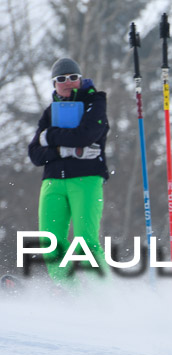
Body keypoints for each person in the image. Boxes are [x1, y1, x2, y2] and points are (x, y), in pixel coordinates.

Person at [28, 58, 110, 286]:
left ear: (80, 79)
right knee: (51, 243)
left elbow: (86, 135)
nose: (68, 83)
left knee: (86, 242)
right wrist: (67, 149)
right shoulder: (49, 113)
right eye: (61, 79)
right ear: (54, 84)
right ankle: (70, 293)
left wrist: (50, 138)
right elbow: (35, 153)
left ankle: (105, 300)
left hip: (86, 179)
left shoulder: (95, 102)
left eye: (73, 77)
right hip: (53, 182)